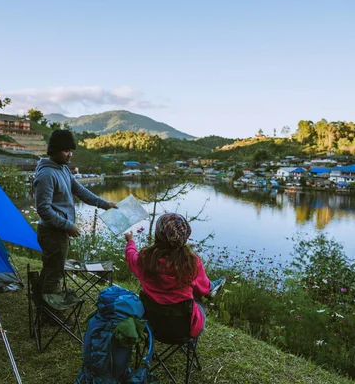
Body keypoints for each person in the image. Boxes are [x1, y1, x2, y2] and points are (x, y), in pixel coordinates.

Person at [34, 129, 117, 303]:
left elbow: (80, 191)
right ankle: (49, 312)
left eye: (71, 151)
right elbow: (43, 209)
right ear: (54, 150)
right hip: (51, 233)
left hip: (59, 231)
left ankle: (40, 300)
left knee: (52, 269)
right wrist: (68, 225)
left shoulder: (63, 169)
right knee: (54, 273)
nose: (70, 155)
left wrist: (105, 204)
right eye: (66, 151)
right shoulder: (46, 175)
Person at [124, 213, 225, 338]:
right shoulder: (191, 263)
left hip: (151, 325)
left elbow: (130, 256)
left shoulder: (144, 260)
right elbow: (202, 288)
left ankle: (210, 287)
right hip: (185, 329)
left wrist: (131, 242)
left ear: (158, 235)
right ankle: (211, 288)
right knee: (198, 295)